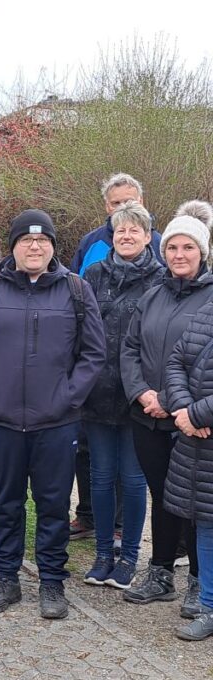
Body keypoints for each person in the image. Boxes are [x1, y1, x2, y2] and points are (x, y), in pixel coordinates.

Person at [0, 209, 105, 619]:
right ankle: (6, 579)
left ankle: (52, 582)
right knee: (6, 504)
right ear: (14, 246)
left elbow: (94, 354)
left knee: (53, 504)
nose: (34, 246)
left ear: (53, 246)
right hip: (0, 421)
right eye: (25, 240)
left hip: (56, 422)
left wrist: (69, 397)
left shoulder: (76, 291)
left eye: (42, 240)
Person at [124, 204, 213, 618]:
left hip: (193, 423)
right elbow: (130, 348)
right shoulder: (152, 295)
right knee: (162, 495)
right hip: (148, 417)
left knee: (195, 503)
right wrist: (143, 393)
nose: (179, 254)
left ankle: (200, 580)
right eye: (173, 246)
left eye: (188, 247)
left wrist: (176, 403)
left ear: (202, 251)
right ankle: (160, 573)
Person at [70, 173, 160, 546]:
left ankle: (128, 548)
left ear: (147, 235)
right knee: (100, 473)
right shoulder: (93, 267)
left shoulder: (161, 276)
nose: (126, 233)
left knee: (134, 478)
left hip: (139, 393)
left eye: (134, 228)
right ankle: (102, 547)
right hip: (97, 389)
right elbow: (77, 324)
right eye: (119, 227)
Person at [163, 211, 213, 642]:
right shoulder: (209, 308)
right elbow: (177, 359)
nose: (181, 255)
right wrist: (183, 409)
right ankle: (210, 605)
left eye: (190, 247)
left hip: (203, 426)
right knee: (208, 526)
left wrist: (197, 415)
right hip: (199, 441)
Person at [71, 173, 163, 275]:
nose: (122, 207)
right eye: (116, 203)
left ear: (141, 202)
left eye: (129, 201)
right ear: (107, 206)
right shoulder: (89, 242)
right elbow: (75, 287)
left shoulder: (160, 244)